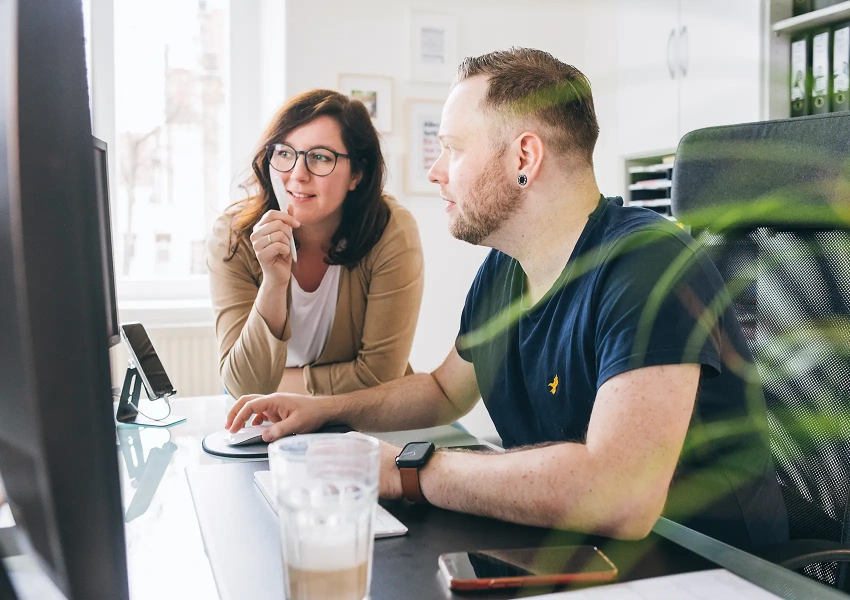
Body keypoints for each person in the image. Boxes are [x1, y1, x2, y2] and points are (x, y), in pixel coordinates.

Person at [226, 49, 789, 551]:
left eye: (452, 149)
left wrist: (406, 470)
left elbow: (620, 494)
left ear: (524, 158)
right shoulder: (505, 271)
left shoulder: (648, 263)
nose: (435, 170)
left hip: (704, 567)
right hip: (581, 553)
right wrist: (323, 411)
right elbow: (444, 391)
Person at [207, 90, 424, 398]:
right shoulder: (233, 237)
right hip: (269, 426)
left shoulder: (390, 230)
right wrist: (273, 283)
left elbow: (379, 378)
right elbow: (244, 386)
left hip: (365, 424)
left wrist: (281, 387)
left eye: (320, 157)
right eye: (284, 153)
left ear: (356, 174)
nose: (297, 175)